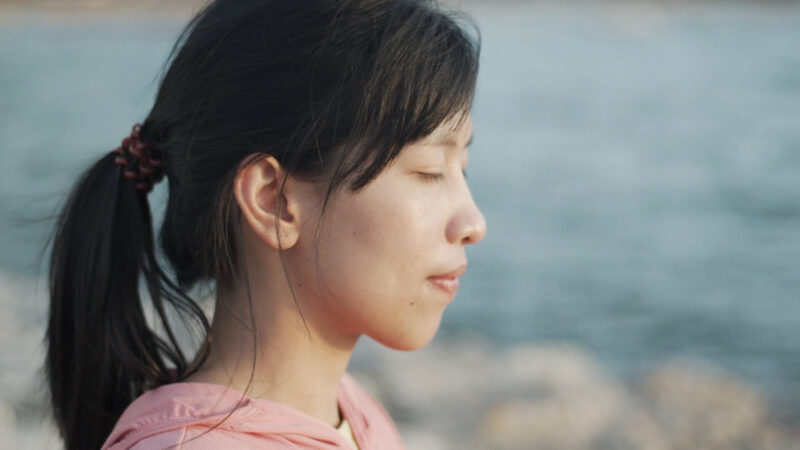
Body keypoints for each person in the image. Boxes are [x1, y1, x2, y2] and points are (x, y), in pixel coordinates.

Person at [45, 0, 486, 448]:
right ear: (273, 201)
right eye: (430, 170)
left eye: (462, 169)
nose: (473, 223)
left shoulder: (354, 414)